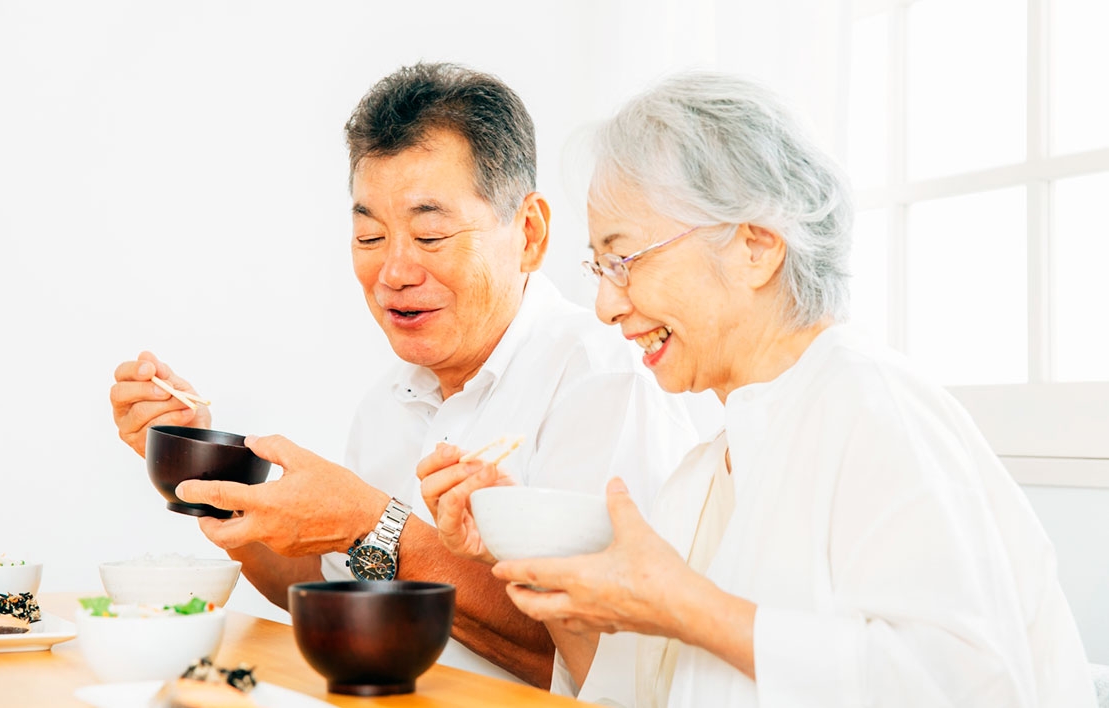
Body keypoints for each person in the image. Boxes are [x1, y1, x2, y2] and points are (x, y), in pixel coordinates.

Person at [419, 71, 1097, 707]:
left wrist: (685, 604)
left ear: (756, 247)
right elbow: (634, 694)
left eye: (623, 259)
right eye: (600, 267)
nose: (605, 305)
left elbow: (962, 685)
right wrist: (530, 546)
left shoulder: (873, 407)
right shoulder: (705, 472)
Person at [109, 62, 698, 688]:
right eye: (370, 237)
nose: (394, 272)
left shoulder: (603, 381)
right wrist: (206, 472)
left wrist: (373, 523)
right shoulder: (390, 400)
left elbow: (608, 665)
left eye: (430, 234)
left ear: (528, 234)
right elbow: (341, 585)